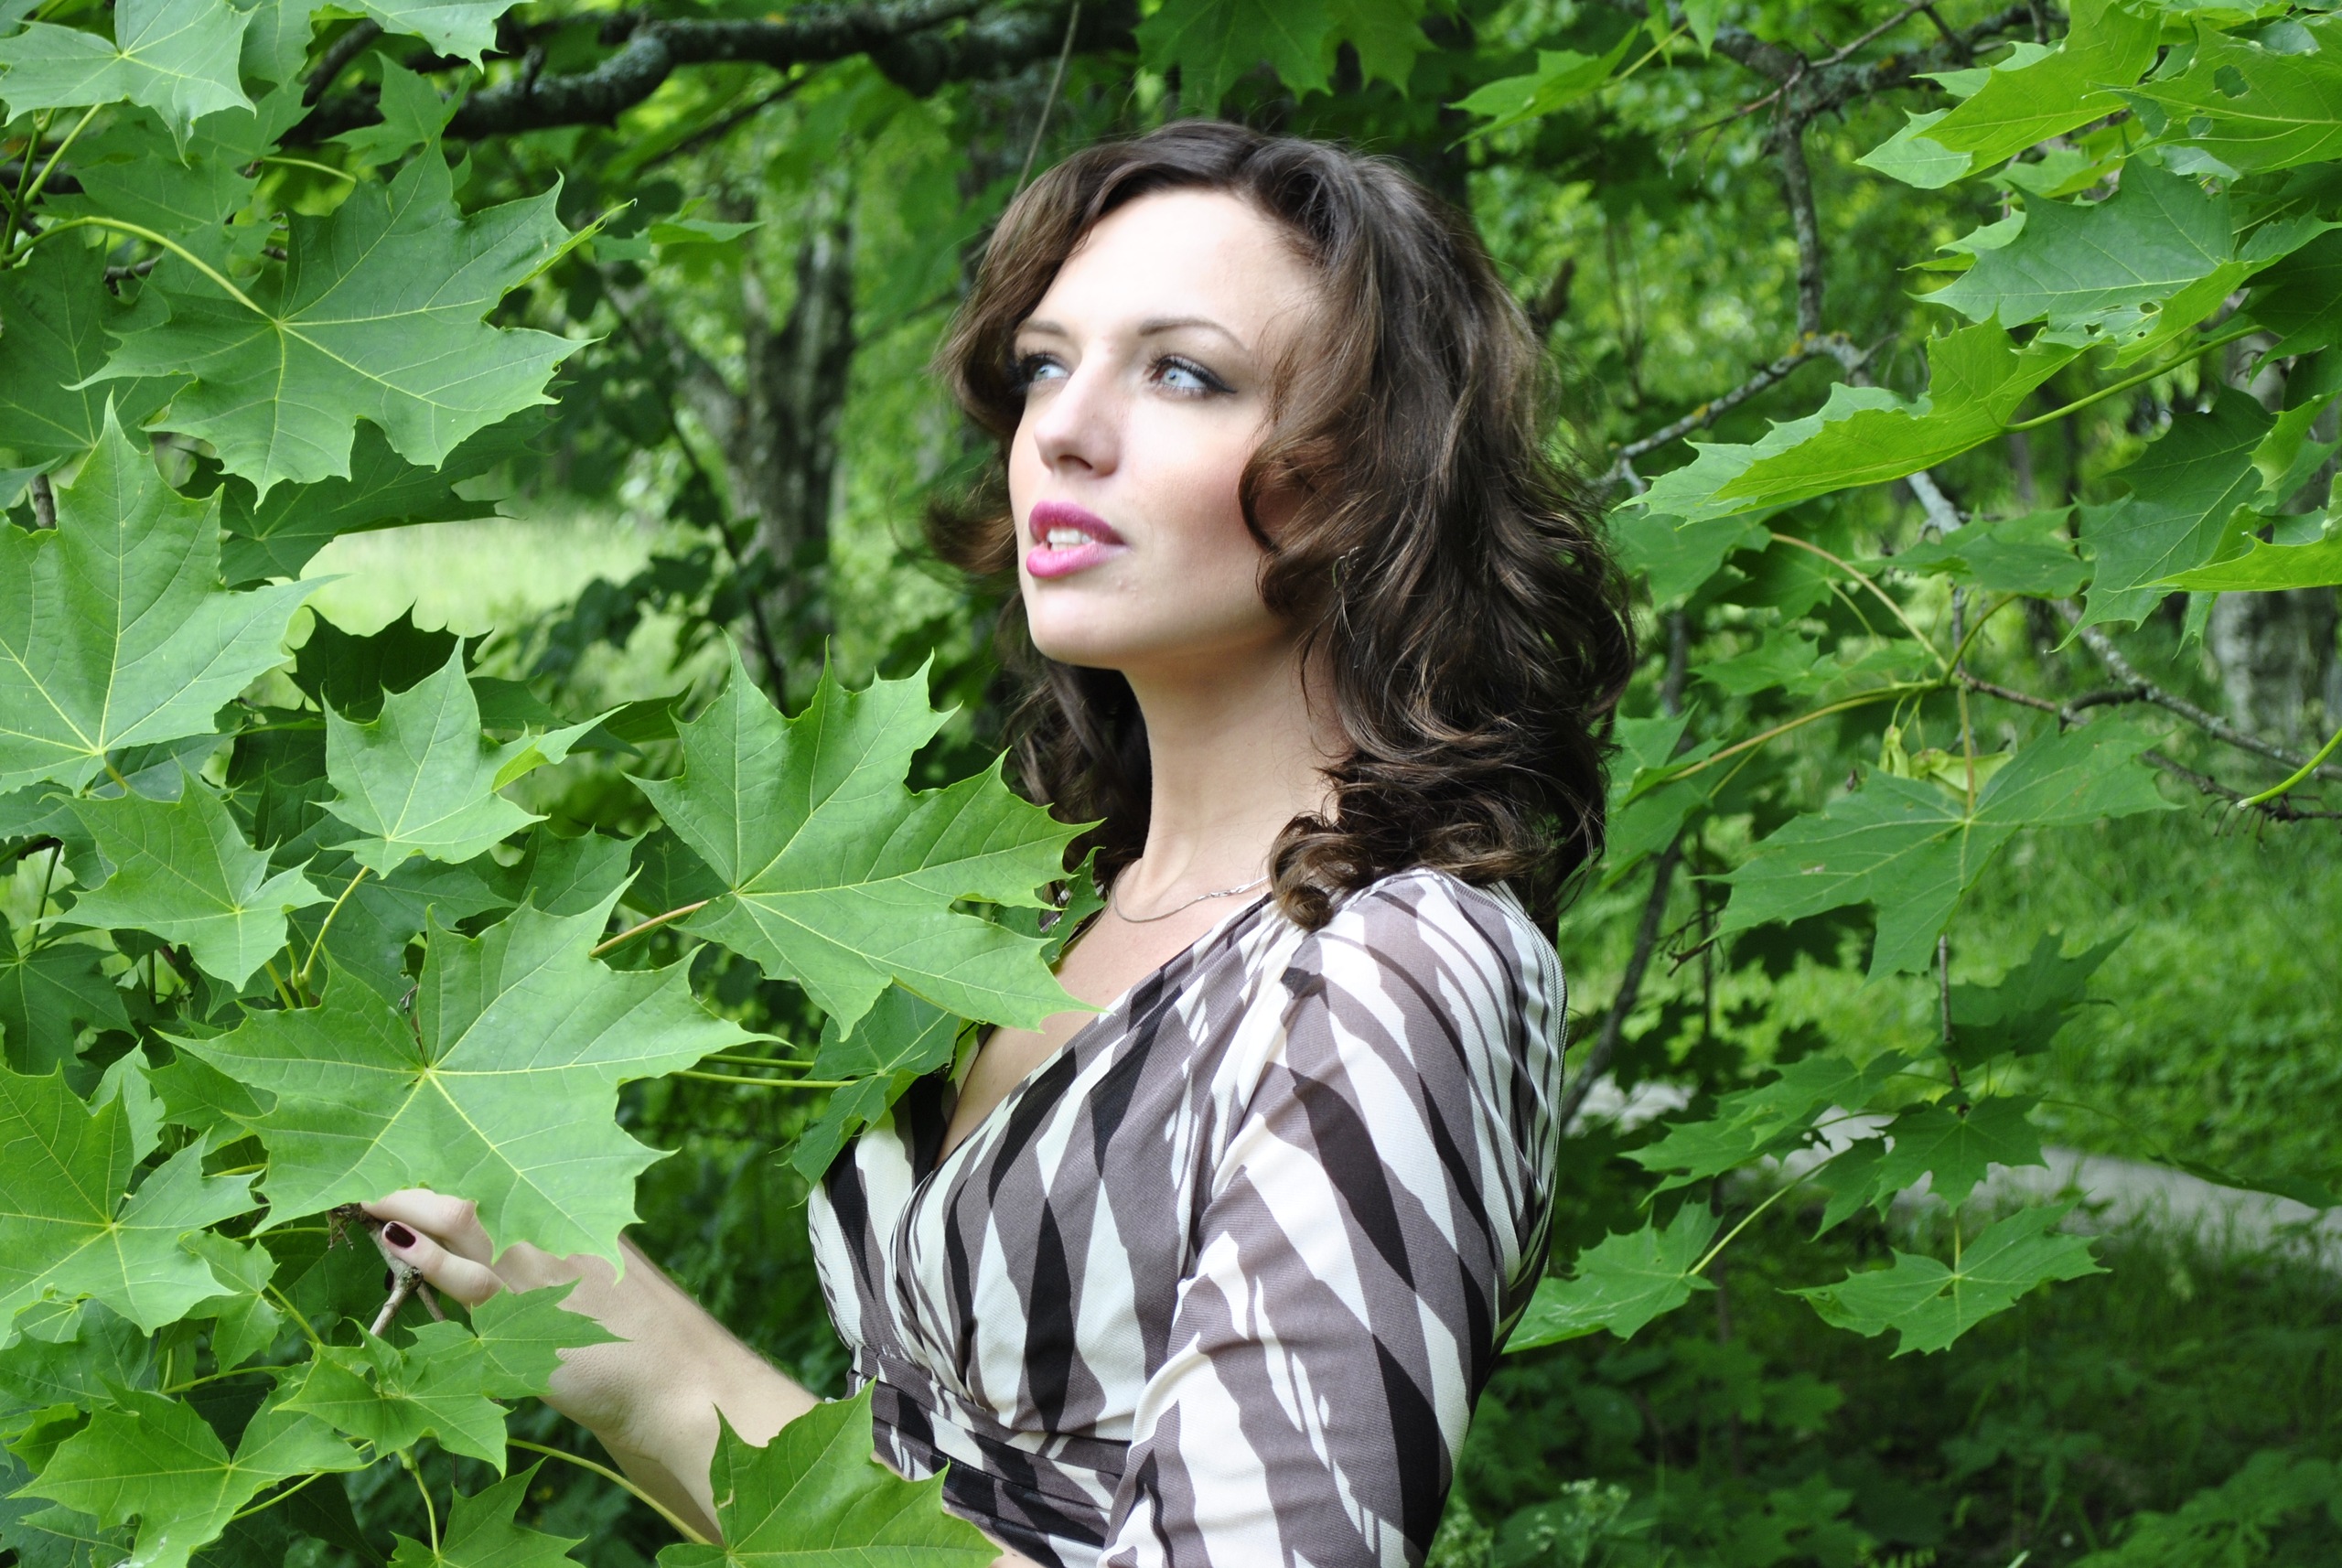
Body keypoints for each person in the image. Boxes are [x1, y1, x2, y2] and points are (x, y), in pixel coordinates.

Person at [365, 120, 1634, 1568]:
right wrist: (581, 1333)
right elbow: (892, 1498)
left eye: (1182, 373)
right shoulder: (1048, 907)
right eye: (1044, 364)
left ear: (1370, 473)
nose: (1065, 430)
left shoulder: (1392, 963)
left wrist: (663, 1360)